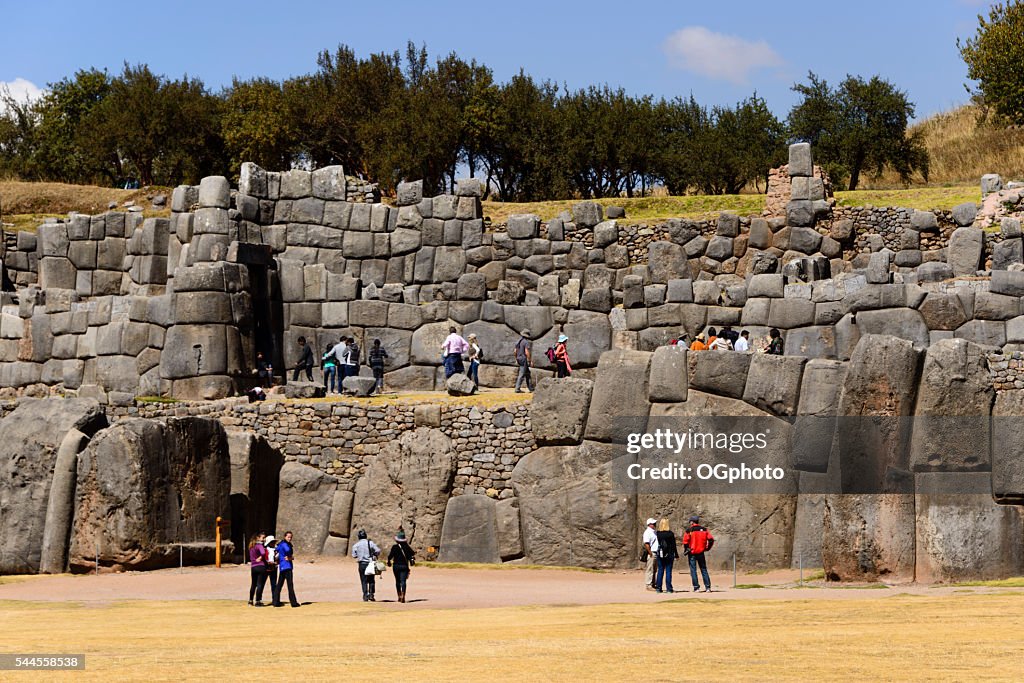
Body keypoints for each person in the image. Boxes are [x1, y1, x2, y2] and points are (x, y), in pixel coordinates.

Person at [682, 515, 715, 593]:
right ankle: (708, 587)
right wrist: (707, 548)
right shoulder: (704, 530)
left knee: (693, 570)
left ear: (692, 522)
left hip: (692, 552)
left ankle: (696, 588)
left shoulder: (689, 530)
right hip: (701, 552)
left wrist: (686, 550)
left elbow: (685, 542)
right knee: (703, 569)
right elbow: (711, 540)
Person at [386, 529, 416, 603]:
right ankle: (403, 595)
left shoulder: (394, 547)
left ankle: (399, 596)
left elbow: (390, 556)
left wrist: (389, 561)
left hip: (396, 566)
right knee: (403, 581)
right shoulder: (407, 547)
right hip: (404, 566)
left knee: (397, 581)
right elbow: (412, 553)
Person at [351, 529, 381, 602]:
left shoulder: (356, 545)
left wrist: (360, 555)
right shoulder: (370, 543)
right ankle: (371, 594)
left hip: (362, 564)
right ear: (365, 536)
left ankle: (365, 595)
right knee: (371, 580)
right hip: (370, 563)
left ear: (359, 537)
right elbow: (378, 550)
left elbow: (354, 555)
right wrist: (374, 554)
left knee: (363, 580)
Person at [275, 531, 300, 608]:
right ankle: (293, 603)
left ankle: (275, 602)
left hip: (282, 567)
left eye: (291, 537)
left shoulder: (280, 544)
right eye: (288, 537)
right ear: (285, 537)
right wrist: (291, 557)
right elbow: (288, 551)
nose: (290, 539)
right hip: (287, 566)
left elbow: (276, 550)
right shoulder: (285, 544)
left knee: (279, 585)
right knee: (290, 585)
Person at [654, 518, 678, 594]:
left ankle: (658, 588)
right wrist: (676, 554)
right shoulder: (670, 534)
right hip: (669, 554)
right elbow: (674, 545)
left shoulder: (658, 533)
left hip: (660, 554)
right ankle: (669, 588)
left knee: (660, 570)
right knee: (668, 571)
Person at [247, 532, 269, 606]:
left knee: (253, 584)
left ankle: (250, 600)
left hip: (253, 567)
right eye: (263, 538)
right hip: (260, 566)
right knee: (259, 584)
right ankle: (258, 601)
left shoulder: (251, 546)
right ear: (258, 538)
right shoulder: (259, 545)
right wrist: (260, 557)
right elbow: (263, 553)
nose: (264, 539)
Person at [642, 518, 659, 591]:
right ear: (649, 524)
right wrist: (650, 552)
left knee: (654, 569)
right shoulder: (647, 532)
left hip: (656, 552)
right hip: (652, 552)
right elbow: (646, 543)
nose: (655, 524)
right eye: (653, 523)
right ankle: (648, 585)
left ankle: (653, 583)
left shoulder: (654, 532)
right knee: (650, 569)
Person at [264, 535, 281, 607]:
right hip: (266, 568)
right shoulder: (265, 550)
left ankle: (275, 600)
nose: (273, 543)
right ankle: (258, 600)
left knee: (274, 584)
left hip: (274, 568)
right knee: (261, 584)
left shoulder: (276, 549)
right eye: (272, 542)